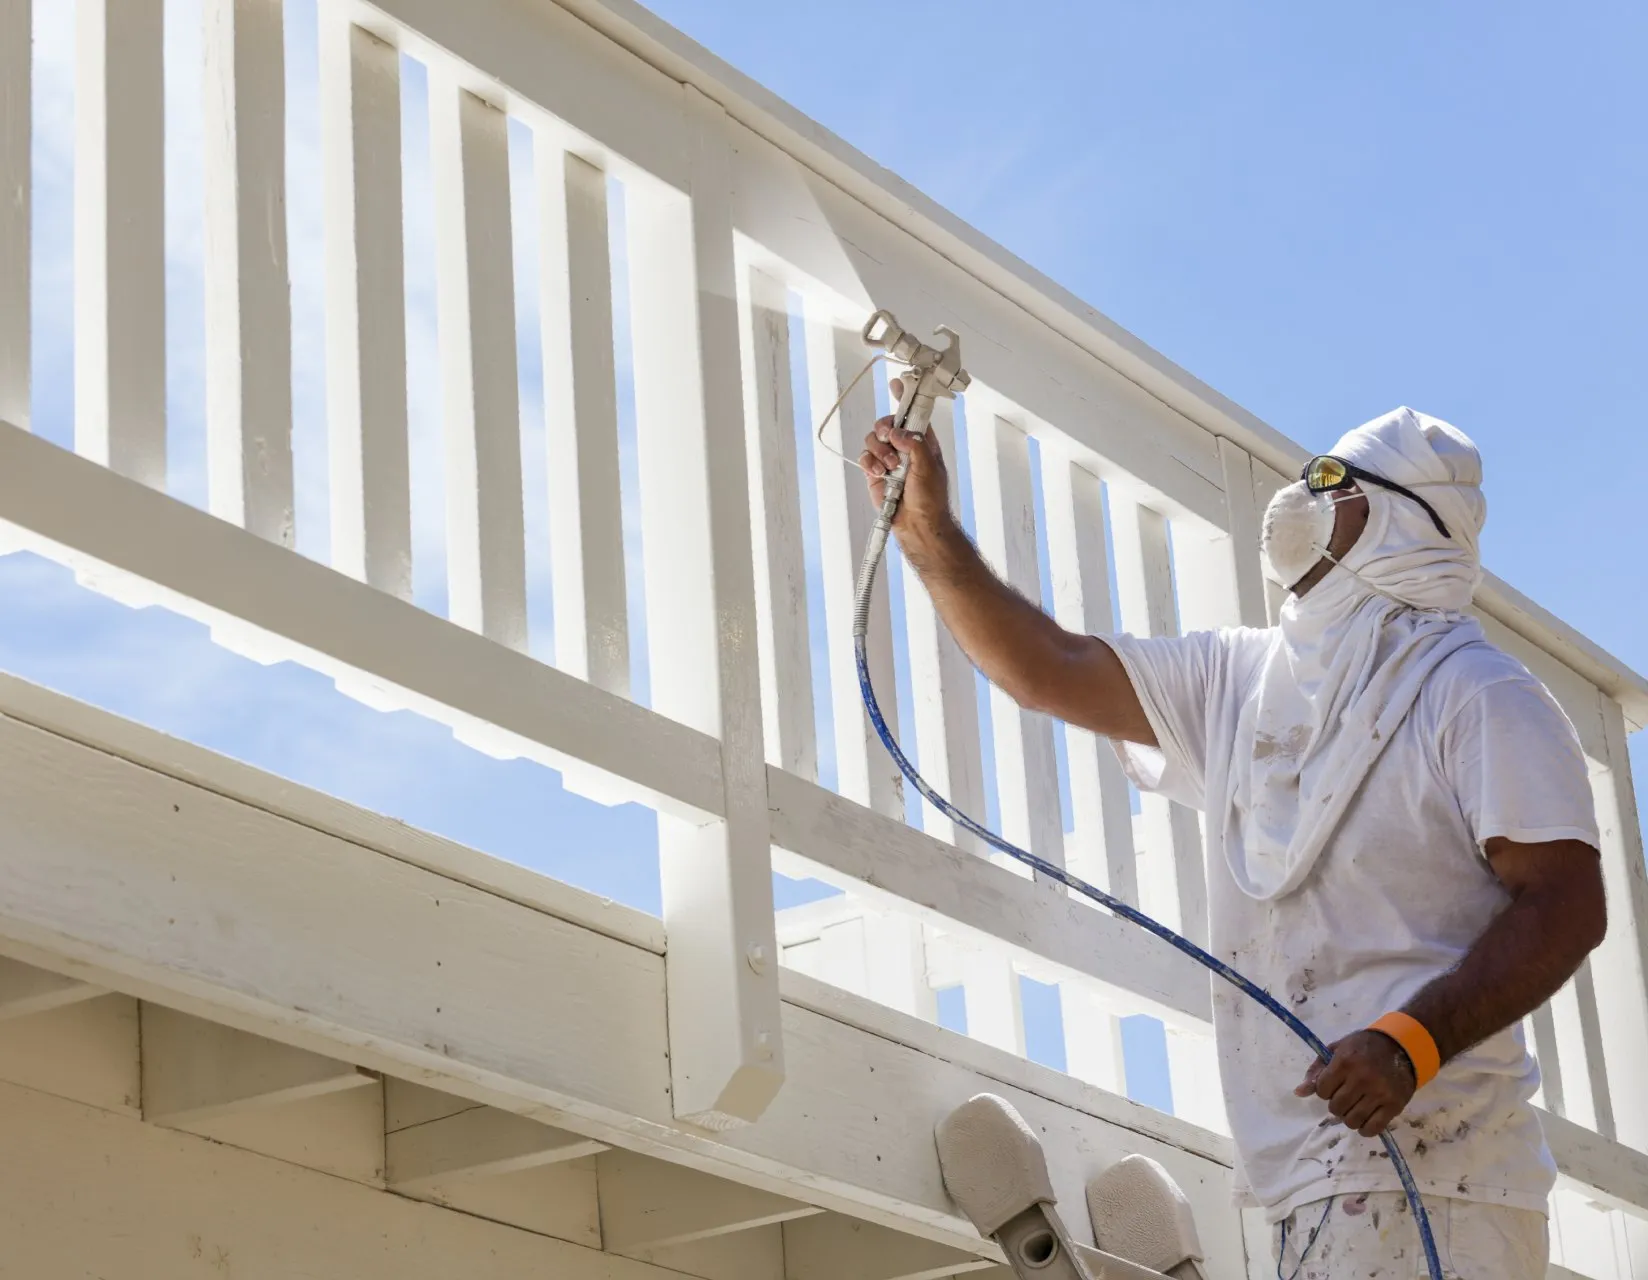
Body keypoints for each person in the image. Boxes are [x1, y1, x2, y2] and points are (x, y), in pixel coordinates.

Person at [859, 399, 1607, 1279]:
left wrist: (1412, 1041)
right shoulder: (1241, 678)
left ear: (1401, 519)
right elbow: (1047, 671)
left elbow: (1565, 904)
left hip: (1448, 1177)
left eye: (1332, 480)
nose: (1304, 493)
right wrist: (928, 532)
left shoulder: (1476, 693)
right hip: (1300, 1174)